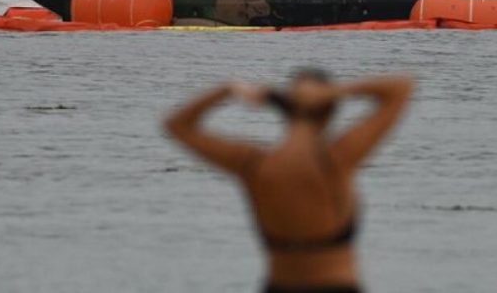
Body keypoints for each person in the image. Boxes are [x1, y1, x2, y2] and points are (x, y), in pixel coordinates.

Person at [165, 69, 414, 293]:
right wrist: (333, 92)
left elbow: (177, 125)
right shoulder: (336, 158)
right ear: (329, 111)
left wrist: (227, 89)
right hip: (336, 285)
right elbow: (400, 87)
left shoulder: (251, 164)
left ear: (283, 108)